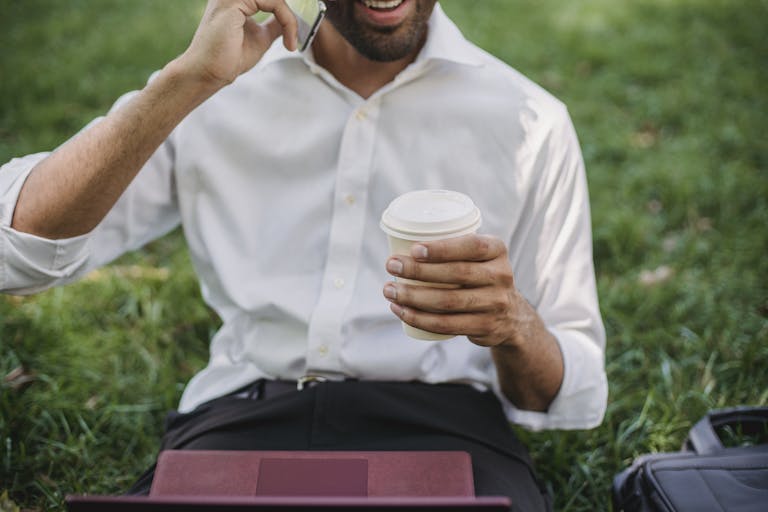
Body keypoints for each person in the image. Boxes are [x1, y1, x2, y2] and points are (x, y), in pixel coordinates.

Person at [0, 0, 607, 509]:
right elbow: (18, 252)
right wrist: (185, 83)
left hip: (449, 430)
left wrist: (513, 324)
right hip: (243, 416)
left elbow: (567, 389)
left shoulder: (531, 122)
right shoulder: (213, 89)